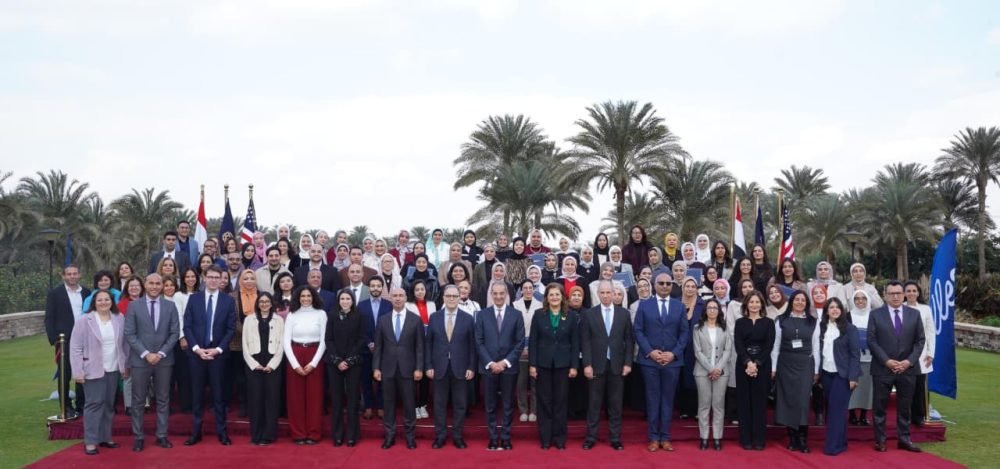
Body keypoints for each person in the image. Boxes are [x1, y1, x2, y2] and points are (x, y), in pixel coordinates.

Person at [634, 273, 690, 452]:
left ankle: (665, 437)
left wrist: (673, 354)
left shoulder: (679, 306)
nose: (665, 286)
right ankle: (653, 437)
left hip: (672, 362)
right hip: (650, 362)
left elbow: (684, 333)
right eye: (661, 283)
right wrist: (650, 352)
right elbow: (638, 330)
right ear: (654, 285)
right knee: (652, 399)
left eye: (668, 283)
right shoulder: (644, 305)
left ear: (672, 286)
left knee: (668, 400)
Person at [124, 273, 180, 452]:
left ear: (162, 286)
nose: (155, 286)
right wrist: (146, 353)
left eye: (158, 283)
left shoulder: (170, 306)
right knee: (138, 399)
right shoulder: (134, 306)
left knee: (163, 398)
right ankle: (138, 437)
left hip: (164, 360)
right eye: (151, 283)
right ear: (145, 285)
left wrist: (161, 353)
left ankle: (162, 435)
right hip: (141, 360)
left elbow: (174, 333)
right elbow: (130, 333)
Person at [181, 266, 236, 446]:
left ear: (221, 280)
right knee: (197, 395)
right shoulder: (194, 299)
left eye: (216, 277)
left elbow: (230, 329)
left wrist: (218, 349)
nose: (213, 280)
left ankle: (222, 432)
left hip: (218, 355)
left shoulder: (228, 301)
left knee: (219, 396)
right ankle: (196, 432)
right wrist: (197, 349)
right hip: (196, 355)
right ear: (204, 278)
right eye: (210, 277)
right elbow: (187, 326)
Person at [868, 281, 925, 453]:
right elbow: (872, 340)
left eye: (898, 293)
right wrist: (886, 360)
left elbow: (920, 341)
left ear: (904, 295)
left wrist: (909, 361)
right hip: (882, 369)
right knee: (879, 407)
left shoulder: (914, 314)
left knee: (905, 407)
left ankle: (904, 439)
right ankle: (880, 440)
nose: (895, 296)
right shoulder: (875, 315)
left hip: (907, 369)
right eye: (891, 293)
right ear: (885, 295)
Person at [70, 290, 130, 456]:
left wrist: (125, 366)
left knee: (109, 405)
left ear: (112, 301)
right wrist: (78, 372)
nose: (104, 302)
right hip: (92, 369)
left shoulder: (119, 318)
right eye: (100, 300)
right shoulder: (84, 320)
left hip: (113, 368)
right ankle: (90, 441)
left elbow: (124, 344)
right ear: (94, 303)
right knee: (94, 404)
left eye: (107, 299)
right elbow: (75, 348)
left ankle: (105, 437)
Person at [580, 280, 633, 451]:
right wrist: (587, 364)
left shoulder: (624, 314)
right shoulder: (589, 314)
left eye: (608, 292)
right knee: (594, 404)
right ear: (598, 294)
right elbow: (585, 341)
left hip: (617, 365)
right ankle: (591, 437)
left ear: (613, 293)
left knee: (616, 405)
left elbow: (629, 341)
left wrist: (628, 363)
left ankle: (615, 438)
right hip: (596, 365)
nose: (605, 295)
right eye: (602, 293)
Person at [425, 285, 477, 449]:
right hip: (439, 367)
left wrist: (471, 367)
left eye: (455, 296)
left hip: (460, 368)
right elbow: (428, 344)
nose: (452, 299)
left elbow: (472, 345)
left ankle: (458, 436)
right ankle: (440, 436)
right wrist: (428, 365)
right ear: (444, 298)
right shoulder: (434, 317)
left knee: (460, 404)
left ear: (459, 297)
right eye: (449, 296)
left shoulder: (468, 318)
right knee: (439, 404)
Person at [476, 282, 525, 451]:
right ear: (491, 294)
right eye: (495, 293)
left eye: (501, 293)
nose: (498, 296)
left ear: (506, 294)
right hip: (488, 367)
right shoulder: (482, 315)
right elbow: (478, 341)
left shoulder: (516, 314)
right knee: (489, 405)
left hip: (508, 367)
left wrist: (504, 363)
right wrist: (490, 363)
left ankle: (505, 438)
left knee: (507, 405)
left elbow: (520, 342)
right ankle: (492, 438)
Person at [529, 283, 579, 451]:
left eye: (557, 294)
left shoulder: (571, 316)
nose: (554, 297)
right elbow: (533, 341)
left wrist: (574, 366)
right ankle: (545, 438)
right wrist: (532, 364)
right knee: (544, 402)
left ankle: (559, 438)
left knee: (560, 402)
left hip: (563, 365)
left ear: (562, 297)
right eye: (551, 295)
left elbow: (575, 342)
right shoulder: (538, 315)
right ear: (547, 298)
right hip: (542, 365)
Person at [373, 287, 424, 450]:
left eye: (400, 295)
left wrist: (419, 368)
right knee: (388, 405)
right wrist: (376, 368)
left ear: (406, 298)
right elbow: (378, 347)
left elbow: (420, 347)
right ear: (391, 298)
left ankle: (410, 437)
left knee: (409, 405)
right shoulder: (383, 320)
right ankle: (390, 436)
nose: (397, 298)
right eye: (394, 295)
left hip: (408, 369)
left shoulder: (415, 320)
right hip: (387, 369)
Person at [771, 290, 821, 453]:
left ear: (807, 303)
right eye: (797, 299)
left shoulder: (813, 322)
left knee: (802, 401)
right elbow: (775, 346)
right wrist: (773, 368)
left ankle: (803, 438)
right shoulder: (781, 320)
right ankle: (793, 437)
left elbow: (816, 348)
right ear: (791, 302)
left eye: (803, 300)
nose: (800, 302)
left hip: (805, 364)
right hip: (785, 364)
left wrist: (816, 370)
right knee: (788, 400)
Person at [282, 285, 328, 445]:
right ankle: (298, 433)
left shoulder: (321, 314)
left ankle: (313, 433)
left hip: (315, 355)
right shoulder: (292, 314)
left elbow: (324, 341)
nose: (306, 299)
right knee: (295, 397)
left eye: (309, 296)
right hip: (295, 355)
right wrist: (295, 365)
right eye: (303, 296)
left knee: (314, 397)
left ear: (314, 297)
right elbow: (286, 341)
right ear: (298, 298)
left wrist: (313, 363)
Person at [45, 264, 91, 418]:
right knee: (65, 374)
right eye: (69, 274)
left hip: (85, 338)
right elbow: (49, 317)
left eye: (75, 273)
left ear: (79, 275)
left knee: (83, 372)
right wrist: (54, 340)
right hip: (65, 340)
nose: (72, 276)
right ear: (64, 276)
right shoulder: (55, 294)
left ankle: (82, 404)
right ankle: (66, 407)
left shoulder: (86, 292)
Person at [819, 298, 861, 456]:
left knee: (836, 410)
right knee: (835, 409)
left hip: (843, 375)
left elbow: (855, 354)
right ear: (826, 311)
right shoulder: (821, 327)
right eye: (831, 307)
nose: (835, 310)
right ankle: (841, 443)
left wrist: (853, 377)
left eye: (838, 307)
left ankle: (832, 447)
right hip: (826, 374)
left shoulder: (850, 329)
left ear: (842, 311)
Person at [242, 292, 285, 446]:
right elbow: (245, 344)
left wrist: (272, 364)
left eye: (267, 301)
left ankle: (269, 435)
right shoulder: (249, 319)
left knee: (271, 399)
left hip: (273, 363)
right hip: (254, 364)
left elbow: (281, 344)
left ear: (271, 303)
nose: (264, 304)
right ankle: (256, 434)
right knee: (255, 400)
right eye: (261, 302)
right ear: (257, 304)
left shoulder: (279, 320)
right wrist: (254, 364)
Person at [734, 291, 775, 451]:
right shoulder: (740, 323)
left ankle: (759, 439)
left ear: (762, 304)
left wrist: (756, 364)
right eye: (751, 302)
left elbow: (769, 346)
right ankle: (745, 439)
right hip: (743, 366)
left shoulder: (769, 323)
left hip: (762, 366)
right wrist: (748, 363)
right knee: (744, 403)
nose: (754, 305)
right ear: (746, 304)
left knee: (760, 403)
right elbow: (738, 345)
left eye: (757, 302)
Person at [326, 289, 366, 447]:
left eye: (348, 298)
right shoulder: (332, 315)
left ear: (352, 300)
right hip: (334, 363)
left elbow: (362, 339)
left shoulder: (359, 316)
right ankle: (337, 435)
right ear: (338, 301)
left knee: (352, 400)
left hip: (353, 363)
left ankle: (352, 435)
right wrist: (337, 361)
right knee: (336, 400)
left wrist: (349, 360)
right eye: (342, 298)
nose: (345, 301)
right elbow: (328, 339)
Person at [693, 298, 731, 451]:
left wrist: (718, 368)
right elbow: (697, 351)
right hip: (702, 371)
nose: (712, 310)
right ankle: (703, 437)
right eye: (710, 308)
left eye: (715, 308)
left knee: (718, 405)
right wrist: (710, 368)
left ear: (719, 311)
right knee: (704, 405)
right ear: (705, 310)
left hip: (722, 372)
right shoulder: (697, 328)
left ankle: (717, 437)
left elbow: (728, 350)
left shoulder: (725, 327)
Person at [358, 276, 392, 420]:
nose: (375, 288)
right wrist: (369, 342)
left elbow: (390, 327)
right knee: (366, 378)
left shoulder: (388, 305)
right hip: (366, 349)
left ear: (382, 288)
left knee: (382, 380)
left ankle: (381, 406)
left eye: (378, 286)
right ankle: (368, 407)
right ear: (369, 288)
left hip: (384, 349)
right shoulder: (361, 305)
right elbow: (359, 327)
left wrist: (379, 343)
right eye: (373, 286)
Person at [904, 281, 935, 427]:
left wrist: (930, 353)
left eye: (914, 290)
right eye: (908, 291)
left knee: (919, 386)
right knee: (905, 387)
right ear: (904, 293)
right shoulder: (899, 308)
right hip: (903, 354)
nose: (911, 293)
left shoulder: (925, 309)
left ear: (918, 293)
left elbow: (930, 333)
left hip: (922, 354)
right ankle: (905, 416)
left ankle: (918, 416)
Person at [229, 269, 259, 418]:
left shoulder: (262, 295)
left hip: (258, 342)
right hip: (238, 342)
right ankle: (243, 404)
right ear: (241, 281)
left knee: (254, 375)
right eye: (245, 278)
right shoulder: (232, 297)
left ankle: (255, 404)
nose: (249, 281)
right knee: (240, 376)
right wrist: (247, 331)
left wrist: (254, 334)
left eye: (251, 278)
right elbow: (231, 319)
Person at [162, 276, 191, 414]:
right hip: (164, 343)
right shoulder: (159, 302)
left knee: (183, 374)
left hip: (180, 342)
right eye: (166, 285)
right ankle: (166, 407)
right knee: (167, 377)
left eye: (172, 285)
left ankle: (186, 405)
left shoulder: (180, 298)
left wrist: (182, 337)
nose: (169, 288)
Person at [513, 279, 541, 422]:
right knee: (521, 381)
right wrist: (521, 347)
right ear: (521, 290)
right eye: (525, 288)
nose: (528, 290)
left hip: (536, 346)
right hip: (519, 346)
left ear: (534, 289)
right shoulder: (514, 305)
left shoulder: (540, 305)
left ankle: (534, 411)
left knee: (535, 381)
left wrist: (531, 347)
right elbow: (512, 328)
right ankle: (523, 409)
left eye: (531, 287)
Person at [406, 280, 435, 420]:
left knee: (425, 376)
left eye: (422, 289)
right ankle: (414, 405)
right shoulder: (408, 305)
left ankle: (422, 404)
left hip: (428, 344)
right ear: (413, 291)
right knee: (413, 376)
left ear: (425, 290)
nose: (419, 292)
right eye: (417, 289)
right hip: (413, 344)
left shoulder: (432, 304)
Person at [677, 277, 704, 420]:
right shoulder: (676, 303)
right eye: (687, 286)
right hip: (678, 347)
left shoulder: (702, 304)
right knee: (681, 378)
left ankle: (696, 409)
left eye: (693, 286)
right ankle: (684, 409)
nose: (690, 289)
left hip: (696, 347)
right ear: (682, 288)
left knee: (695, 378)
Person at [848, 291, 874, 427]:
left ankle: (863, 415)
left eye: (863, 298)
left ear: (867, 300)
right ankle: (852, 415)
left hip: (870, 357)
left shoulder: (874, 316)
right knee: (852, 387)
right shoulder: (847, 316)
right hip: (852, 358)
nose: (860, 301)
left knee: (867, 388)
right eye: (857, 298)